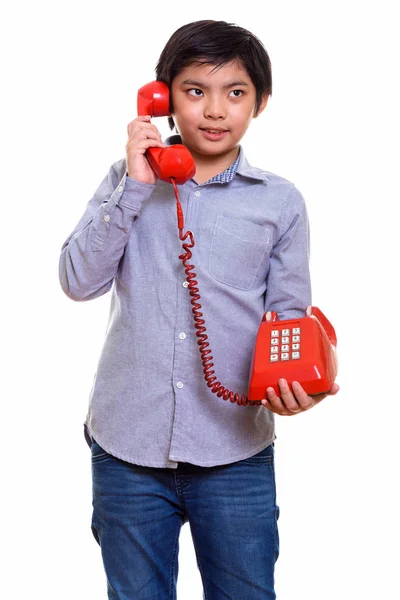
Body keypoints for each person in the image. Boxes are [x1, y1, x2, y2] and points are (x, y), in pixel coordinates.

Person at [59, 19, 339, 600]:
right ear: (161, 99)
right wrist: (136, 184)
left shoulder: (280, 202)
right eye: (194, 91)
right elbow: (77, 281)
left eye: (235, 92)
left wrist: (300, 384)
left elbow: (289, 315)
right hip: (126, 448)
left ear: (259, 102)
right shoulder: (125, 183)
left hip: (234, 451)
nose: (214, 111)